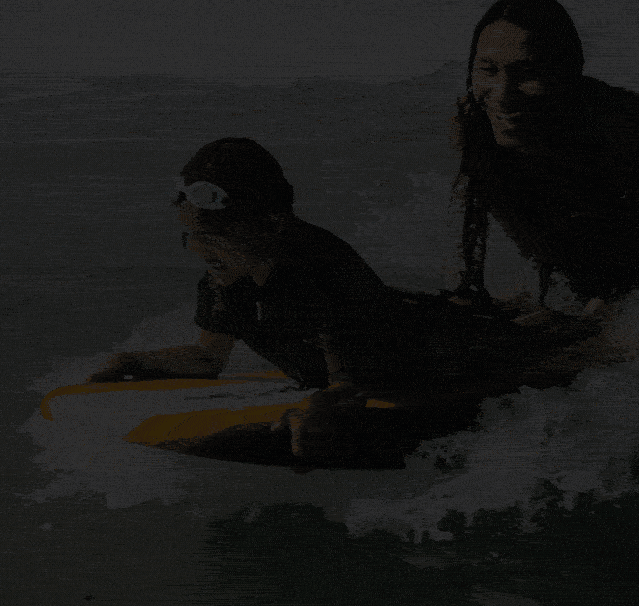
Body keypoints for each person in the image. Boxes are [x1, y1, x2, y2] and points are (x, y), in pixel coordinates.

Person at [88, 137, 588, 462]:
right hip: (394, 332)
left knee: (560, 354)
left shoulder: (318, 269)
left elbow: (352, 385)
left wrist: (319, 405)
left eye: (219, 237)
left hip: (433, 352)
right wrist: (132, 361)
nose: (202, 251)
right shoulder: (225, 276)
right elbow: (205, 359)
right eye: (192, 237)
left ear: (272, 223)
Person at [450, 0, 639, 356]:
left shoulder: (628, 127)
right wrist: (467, 291)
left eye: (528, 73)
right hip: (587, 250)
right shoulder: (475, 119)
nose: (503, 93)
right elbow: (474, 216)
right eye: (487, 69)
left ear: (567, 75)